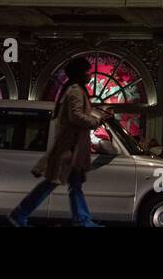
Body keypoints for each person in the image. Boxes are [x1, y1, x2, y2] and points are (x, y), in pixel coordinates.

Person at [8, 56, 112, 227]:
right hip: (69, 149)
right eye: (87, 71)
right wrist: (96, 122)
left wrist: (99, 119)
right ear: (80, 73)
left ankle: (82, 220)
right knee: (53, 183)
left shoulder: (74, 90)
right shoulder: (76, 91)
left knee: (72, 185)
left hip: (72, 148)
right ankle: (19, 214)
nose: (90, 75)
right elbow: (76, 116)